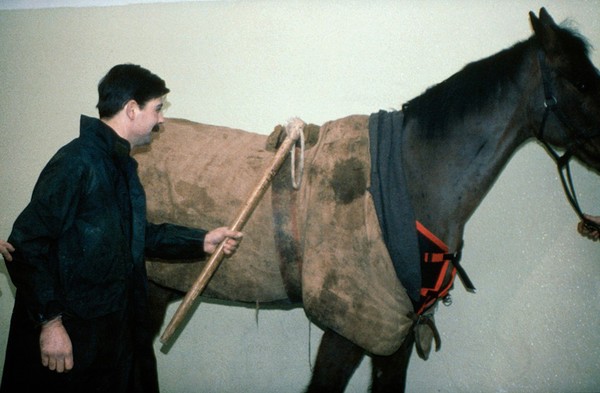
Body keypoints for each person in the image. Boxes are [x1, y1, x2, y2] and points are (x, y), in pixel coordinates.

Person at [0, 64, 242, 393]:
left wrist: (201, 240)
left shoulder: (119, 165)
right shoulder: (76, 163)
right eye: (157, 109)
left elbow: (137, 236)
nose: (162, 119)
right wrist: (50, 323)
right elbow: (26, 245)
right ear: (131, 109)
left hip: (110, 335)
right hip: (73, 338)